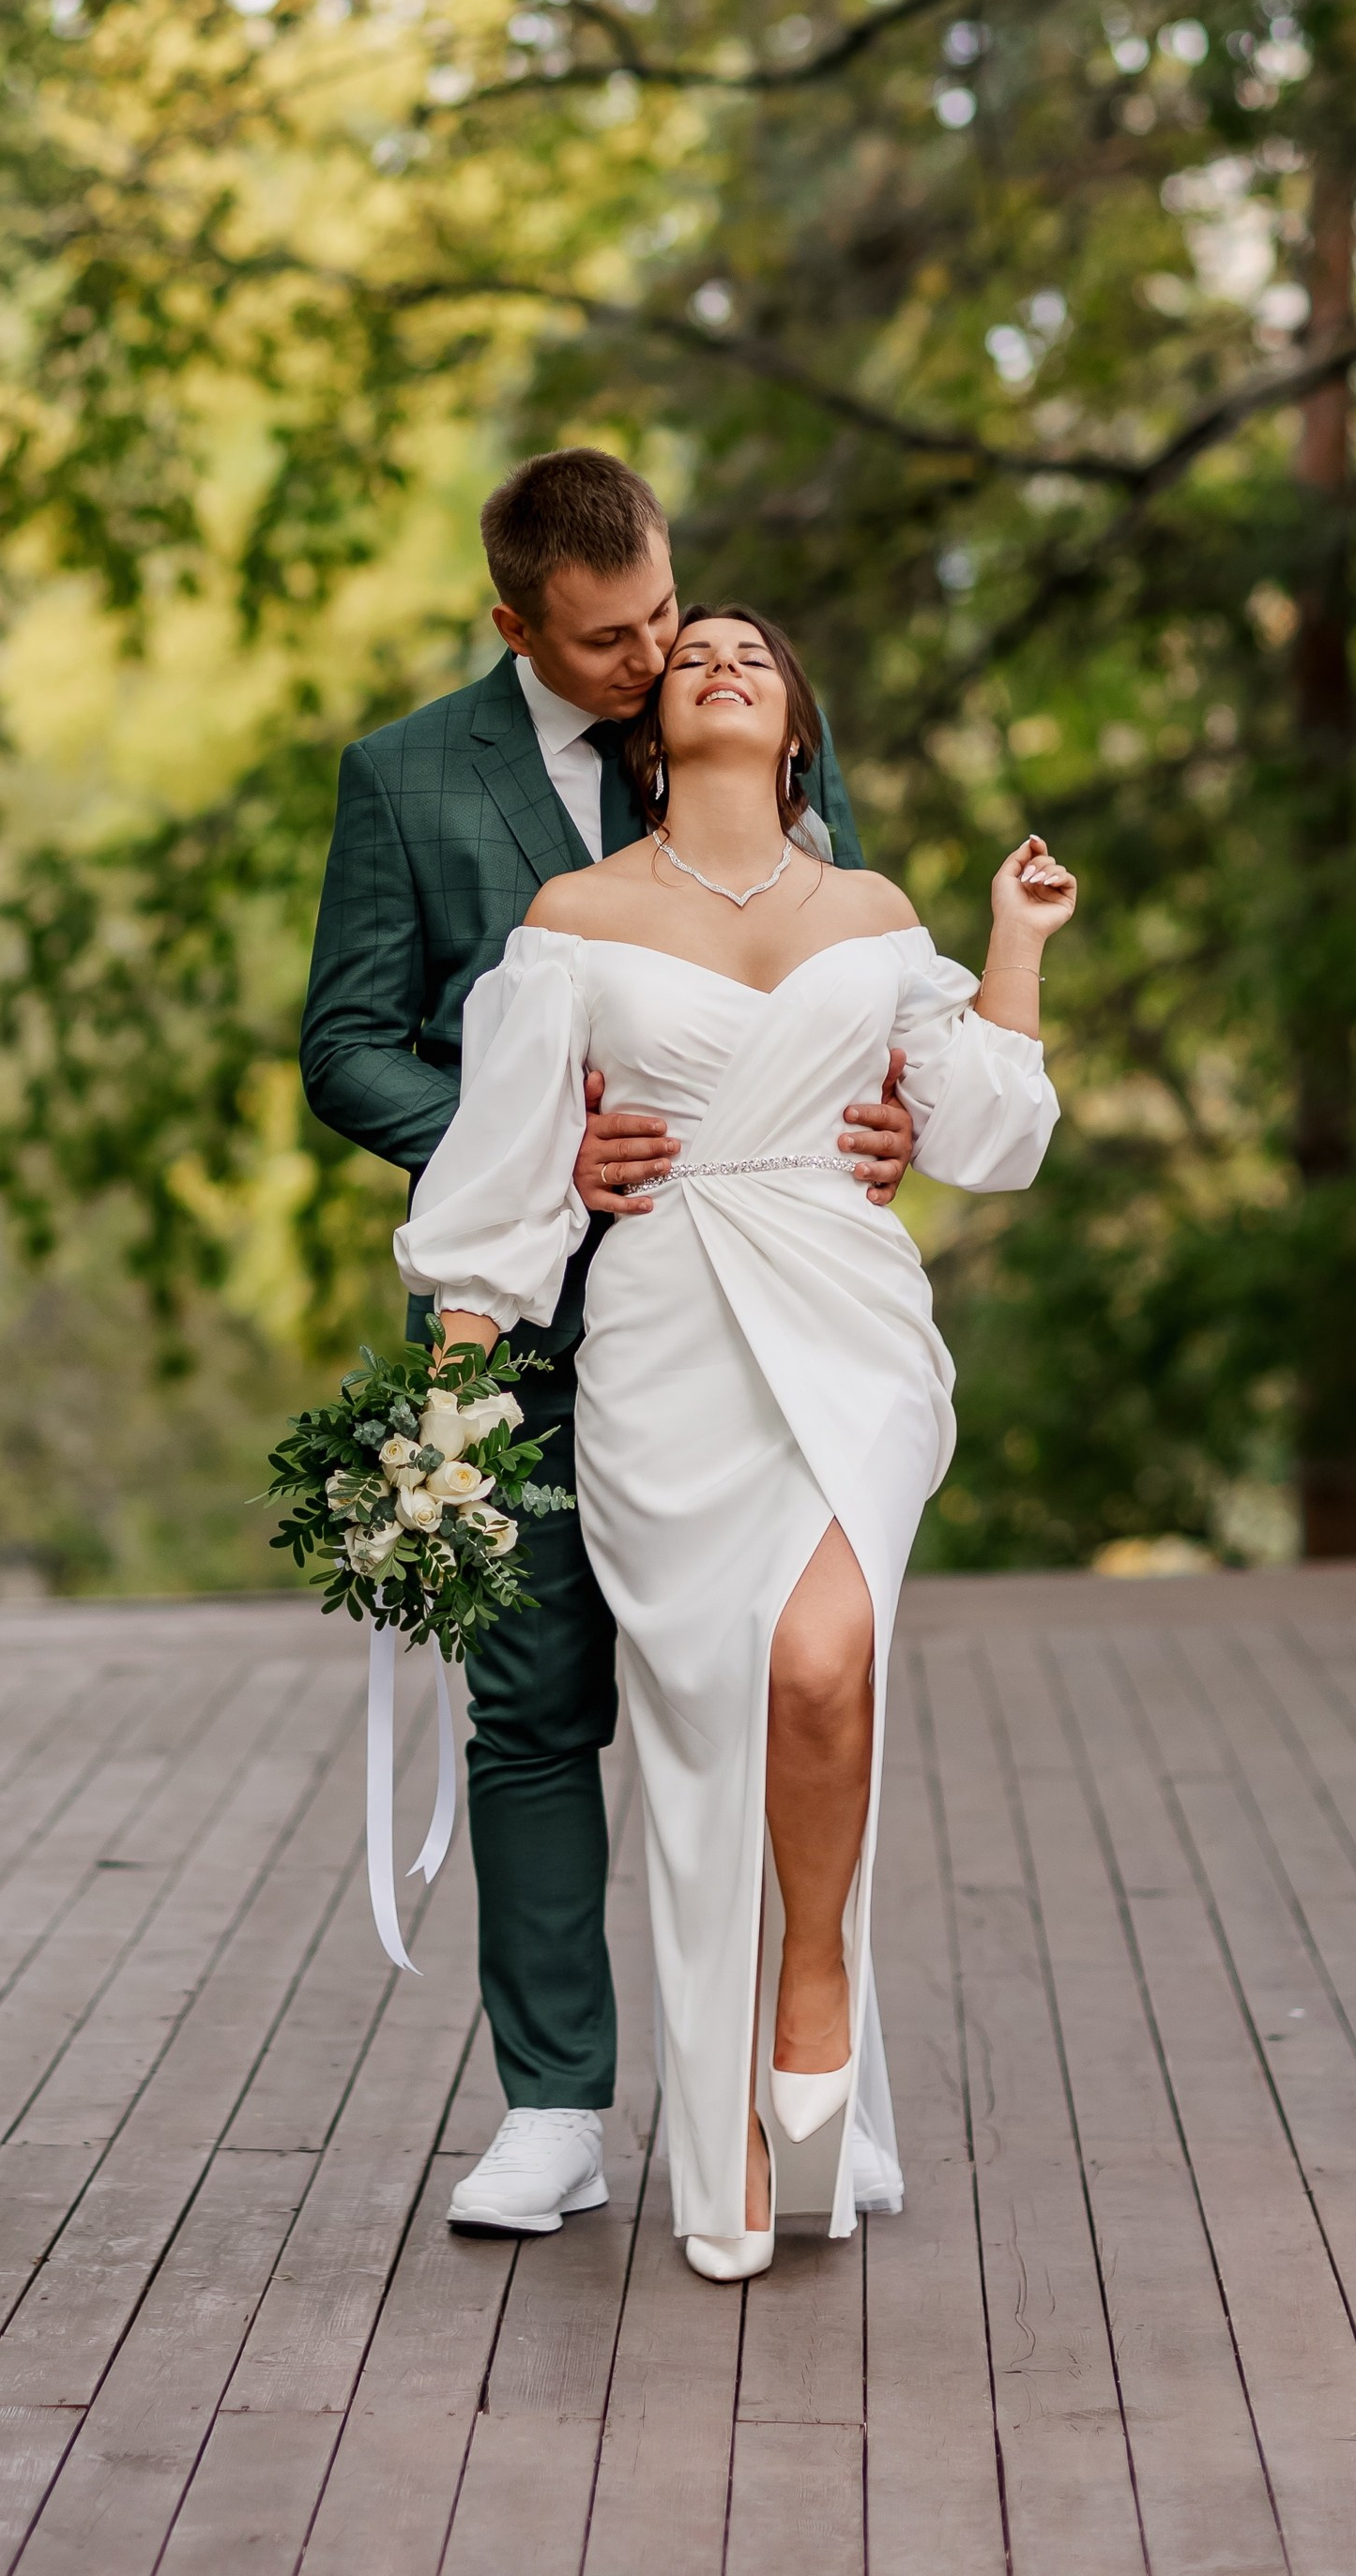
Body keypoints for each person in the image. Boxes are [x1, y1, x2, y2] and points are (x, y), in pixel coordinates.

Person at [397, 601, 1073, 2277]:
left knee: (825, 1661)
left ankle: (818, 1965)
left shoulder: (872, 911)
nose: (718, 661)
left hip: (851, 1323)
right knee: (708, 1737)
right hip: (663, 1344)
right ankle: (728, 2143)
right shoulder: (572, 919)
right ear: (652, 730)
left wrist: (1015, 941)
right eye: (692, 651)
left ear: (793, 732)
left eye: (753, 657)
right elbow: (490, 1190)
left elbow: (987, 1134)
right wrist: (451, 1427)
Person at [300, 451, 918, 2240]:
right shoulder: (408, 780)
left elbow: (858, 972)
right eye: (604, 640)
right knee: (535, 1710)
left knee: (798, 1689)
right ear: (513, 627)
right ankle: (557, 2107)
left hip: (755, 1314)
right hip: (521, 1316)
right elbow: (348, 1044)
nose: (654, 657)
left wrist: (887, 1118)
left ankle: (822, 2086)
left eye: (664, 611)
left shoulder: (743, 720)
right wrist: (520, 1152)